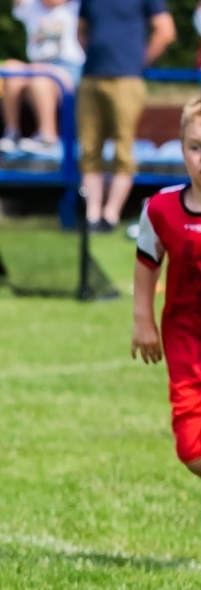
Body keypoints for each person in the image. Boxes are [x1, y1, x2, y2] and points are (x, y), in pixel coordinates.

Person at [132, 97, 201, 479]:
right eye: (195, 147)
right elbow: (147, 262)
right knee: (192, 449)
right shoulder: (161, 208)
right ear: (182, 149)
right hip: (186, 343)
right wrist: (143, 320)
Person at [79, 0, 175, 231]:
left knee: (123, 149)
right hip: (91, 77)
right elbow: (81, 30)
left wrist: (138, 61)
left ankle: (110, 215)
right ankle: (92, 216)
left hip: (126, 79)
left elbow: (165, 31)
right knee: (89, 149)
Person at [0, 0, 83, 156]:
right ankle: (11, 133)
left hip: (69, 71)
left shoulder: (76, 7)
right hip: (37, 66)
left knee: (40, 78)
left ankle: (47, 137)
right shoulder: (31, 6)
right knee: (11, 67)